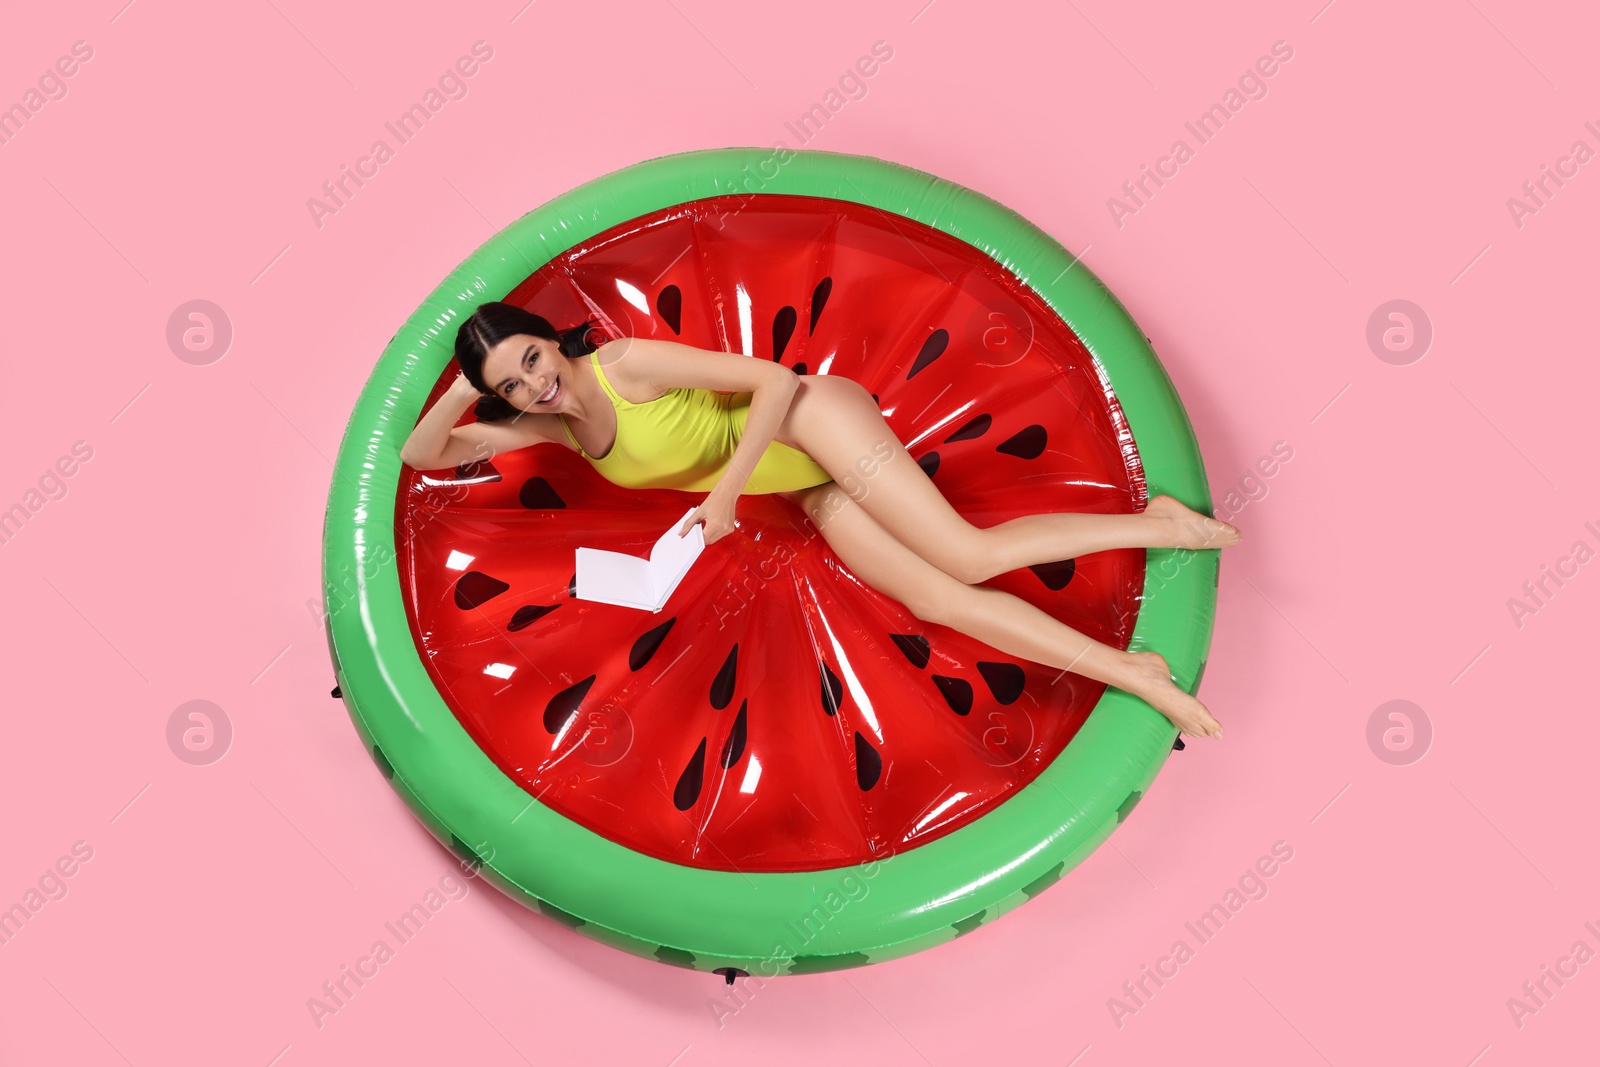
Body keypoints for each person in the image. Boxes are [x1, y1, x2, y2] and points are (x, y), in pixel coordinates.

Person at [400, 302, 1242, 739]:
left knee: (966, 554)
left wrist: (727, 493)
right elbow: (421, 456)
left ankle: (1161, 524)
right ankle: (1133, 669)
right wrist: (466, 386)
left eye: (532, 359)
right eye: (512, 385)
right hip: (807, 489)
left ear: (552, 338)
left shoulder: (626, 364)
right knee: (940, 602)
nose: (533, 386)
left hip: (813, 418)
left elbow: (772, 377)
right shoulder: (557, 426)